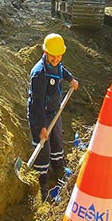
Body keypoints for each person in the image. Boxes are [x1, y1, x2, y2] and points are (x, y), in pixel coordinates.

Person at [27, 33, 79, 198]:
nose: (56, 59)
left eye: (59, 56)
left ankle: (59, 168)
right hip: (39, 115)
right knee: (43, 147)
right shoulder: (39, 74)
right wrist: (41, 126)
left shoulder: (56, 64)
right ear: (45, 52)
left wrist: (70, 79)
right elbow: (37, 104)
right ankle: (43, 182)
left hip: (54, 112)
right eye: (52, 56)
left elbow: (61, 70)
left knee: (56, 139)